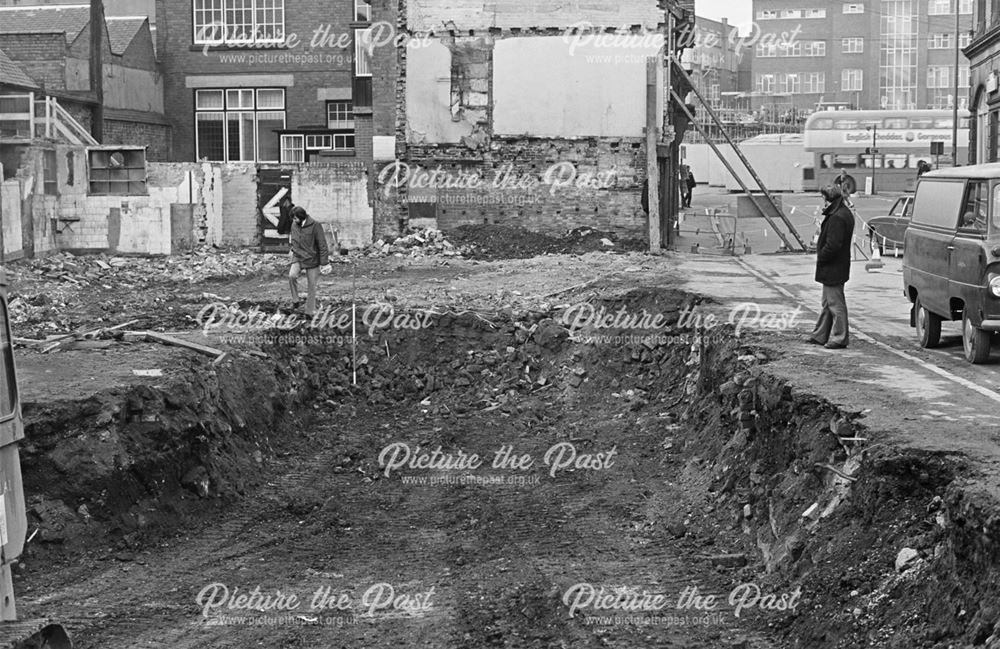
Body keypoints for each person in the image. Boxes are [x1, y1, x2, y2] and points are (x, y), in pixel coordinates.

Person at [807, 185, 855, 349]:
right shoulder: (843, 213)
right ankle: (820, 334)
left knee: (835, 304)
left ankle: (839, 337)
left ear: (830, 199)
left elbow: (833, 245)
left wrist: (822, 258)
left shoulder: (836, 217)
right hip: (838, 265)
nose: (823, 202)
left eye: (824, 199)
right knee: (827, 303)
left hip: (833, 266)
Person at [288, 206, 330, 317]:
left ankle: (309, 311)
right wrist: (292, 249)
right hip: (298, 257)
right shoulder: (294, 225)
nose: (294, 221)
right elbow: (293, 239)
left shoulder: (315, 225)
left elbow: (322, 244)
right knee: (292, 276)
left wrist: (324, 263)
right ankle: (295, 301)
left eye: (295, 218)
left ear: (302, 217)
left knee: (311, 285)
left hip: (312, 259)